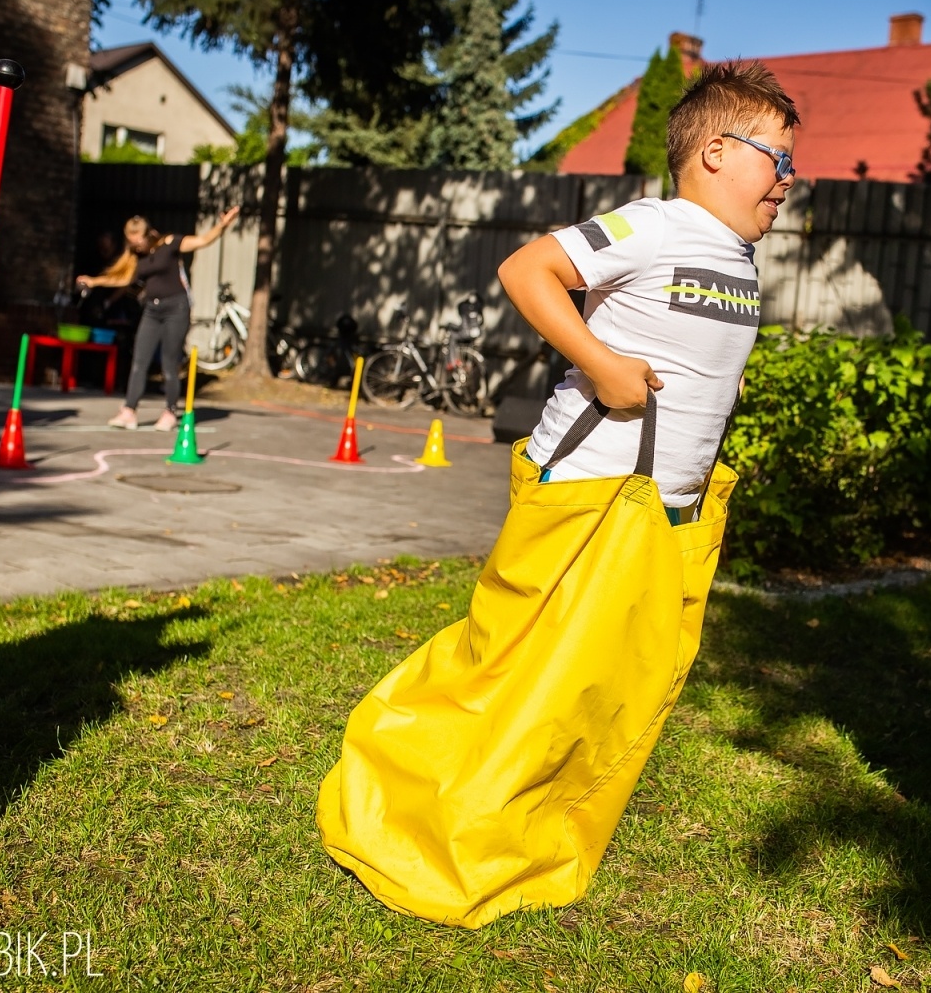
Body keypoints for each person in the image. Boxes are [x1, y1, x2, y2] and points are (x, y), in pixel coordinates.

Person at [317, 62, 799, 927]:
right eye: (779, 160)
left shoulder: (739, 259)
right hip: (588, 493)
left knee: (586, 688)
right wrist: (604, 365)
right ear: (718, 152)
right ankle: (410, 796)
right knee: (516, 672)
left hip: (657, 512)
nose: (789, 182)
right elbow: (527, 270)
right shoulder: (655, 224)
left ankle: (520, 826)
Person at [78, 208, 238, 430]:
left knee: (169, 364)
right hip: (151, 311)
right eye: (132, 242)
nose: (137, 246)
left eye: (139, 240)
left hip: (176, 309)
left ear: (148, 234)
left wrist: (222, 225)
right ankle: (129, 411)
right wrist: (94, 282)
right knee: (139, 361)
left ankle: (170, 412)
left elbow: (203, 241)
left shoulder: (170, 243)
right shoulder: (136, 256)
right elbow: (121, 278)